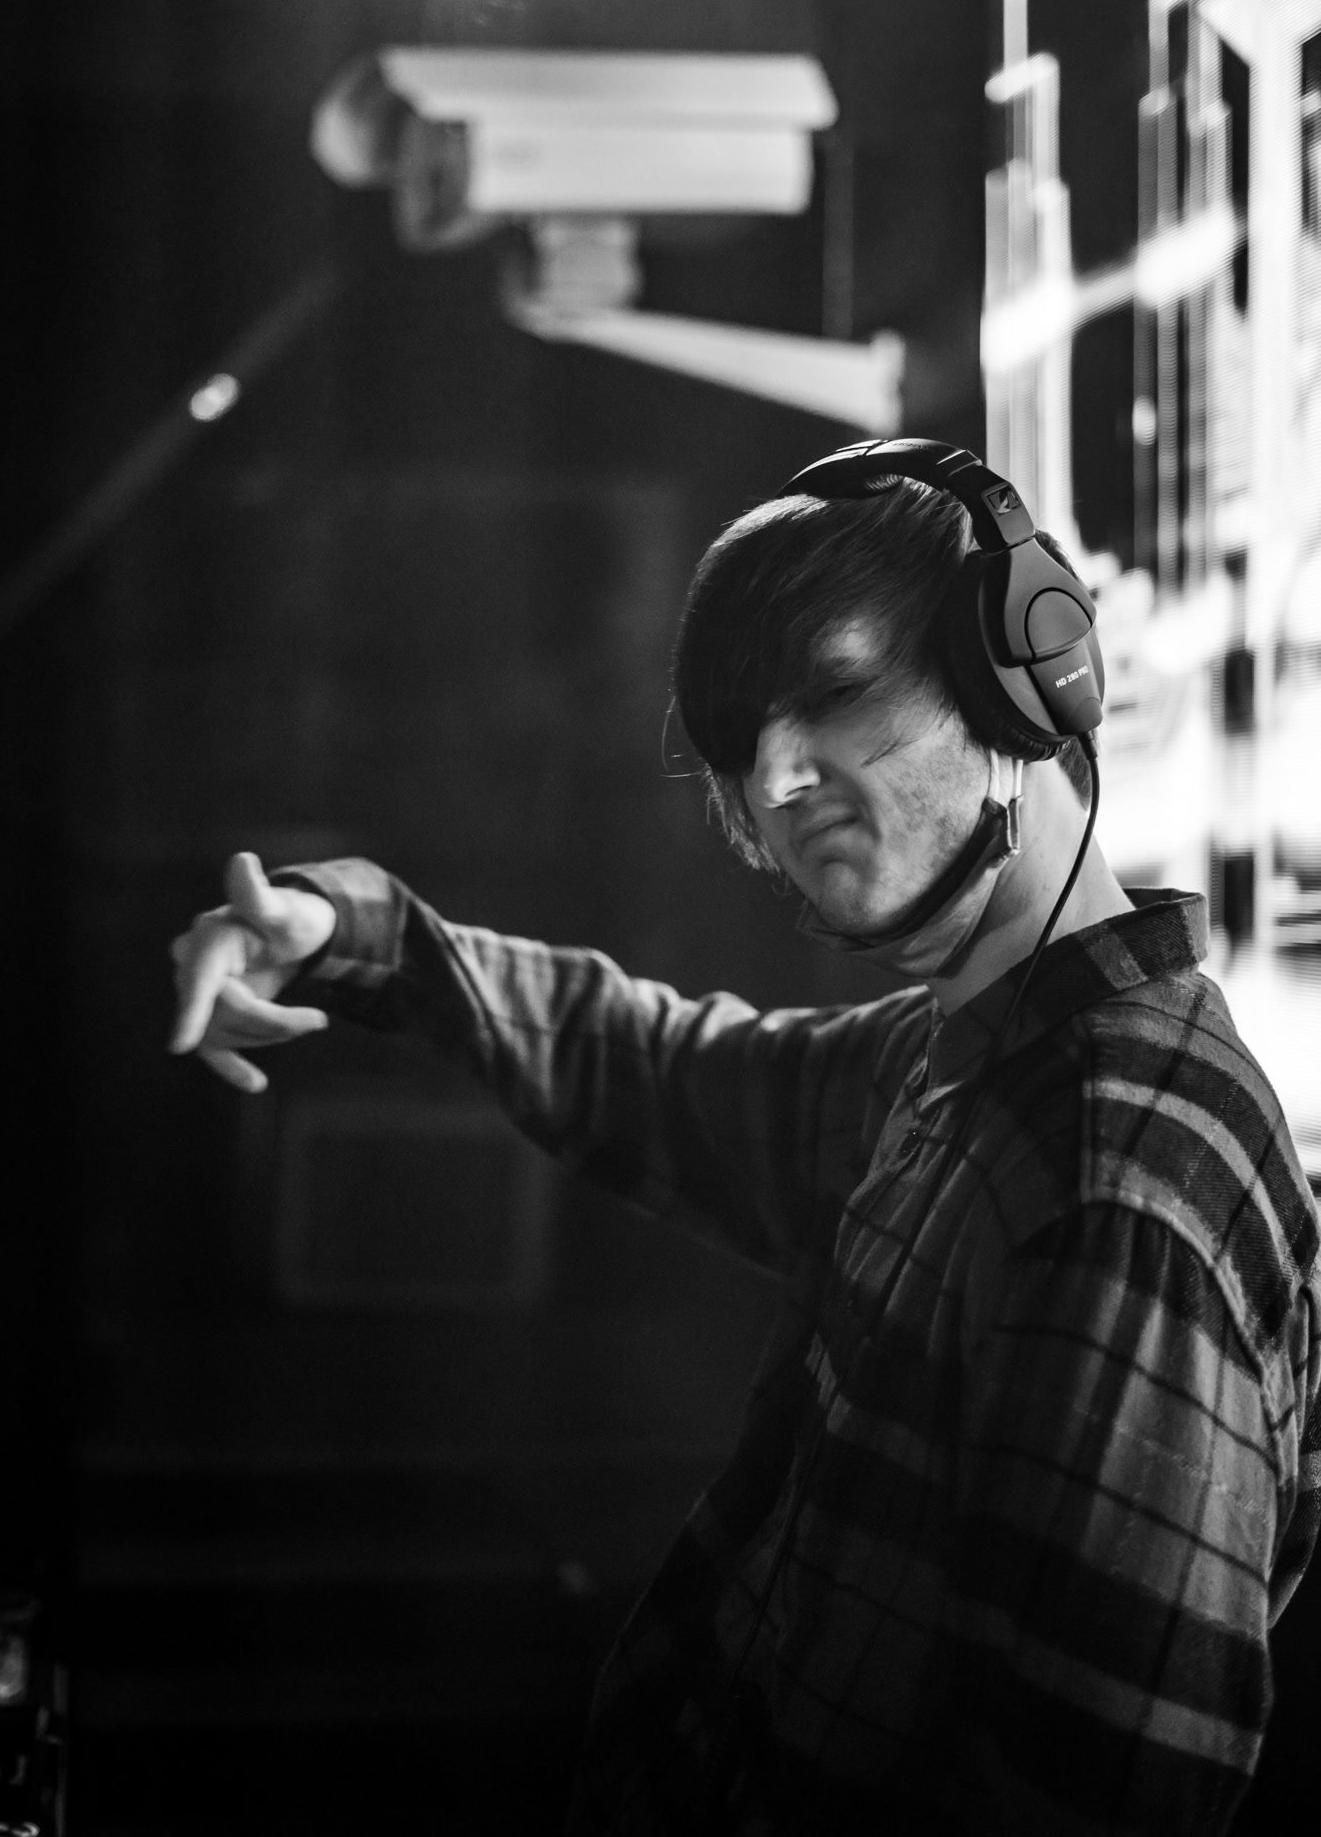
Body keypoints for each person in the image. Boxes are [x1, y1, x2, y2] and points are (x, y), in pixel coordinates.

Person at [169, 441, 1321, 1836]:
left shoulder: (1109, 1188)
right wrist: (348, 935)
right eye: (739, 741)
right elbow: (654, 1067)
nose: (773, 779)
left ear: (1027, 676)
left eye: (833, 690)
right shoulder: (975, 1059)